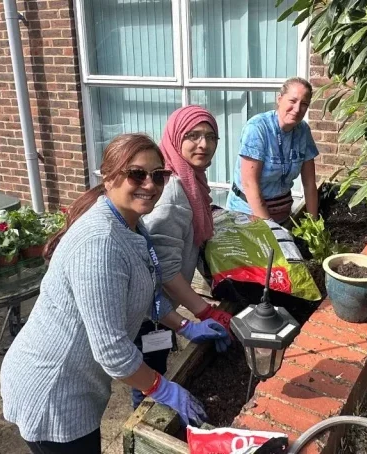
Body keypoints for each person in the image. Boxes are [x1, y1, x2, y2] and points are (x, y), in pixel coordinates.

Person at [0, 134, 230, 454]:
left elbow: (147, 292)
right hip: (53, 390)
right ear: (108, 177)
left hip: (76, 384)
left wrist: (186, 326)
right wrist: (164, 389)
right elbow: (112, 352)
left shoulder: (131, 224)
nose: (149, 185)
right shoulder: (101, 243)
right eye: (136, 174)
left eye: (158, 175)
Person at [133, 106, 233, 408]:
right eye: (193, 135)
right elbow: (164, 268)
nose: (203, 144)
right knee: (150, 372)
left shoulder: (190, 178)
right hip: (150, 312)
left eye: (210, 137)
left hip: (161, 309)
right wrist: (203, 312)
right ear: (176, 138)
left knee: (156, 357)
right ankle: (143, 419)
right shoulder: (173, 190)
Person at [226, 77, 319, 223]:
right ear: (280, 99)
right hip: (247, 214)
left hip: (282, 213)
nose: (297, 109)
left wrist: (314, 225)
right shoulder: (258, 128)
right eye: (292, 101)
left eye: (304, 104)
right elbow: (250, 184)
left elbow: (309, 184)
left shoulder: (303, 131)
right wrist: (272, 228)